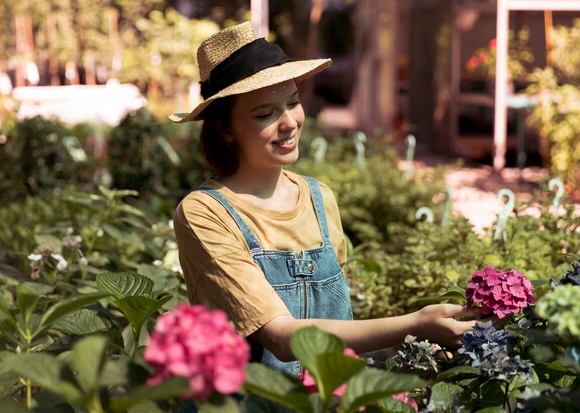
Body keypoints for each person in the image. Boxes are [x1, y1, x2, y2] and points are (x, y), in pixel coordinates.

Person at [171, 22, 480, 378]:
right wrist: (417, 324)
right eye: (265, 113)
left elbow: (339, 323)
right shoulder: (204, 212)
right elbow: (281, 338)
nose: (289, 122)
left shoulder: (319, 198)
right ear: (225, 129)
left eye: (293, 102)